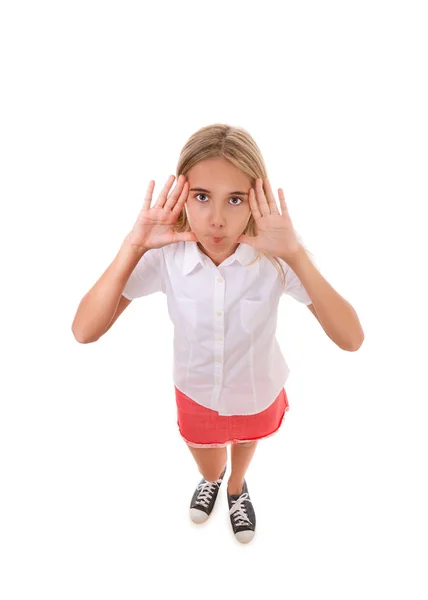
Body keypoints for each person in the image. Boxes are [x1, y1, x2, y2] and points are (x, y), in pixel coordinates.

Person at [72, 123, 364, 544]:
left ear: (255, 200)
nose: (217, 219)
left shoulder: (276, 254)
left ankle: (236, 487)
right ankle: (214, 478)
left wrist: (295, 256)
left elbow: (351, 338)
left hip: (256, 388)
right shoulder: (166, 253)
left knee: (247, 440)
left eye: (236, 199)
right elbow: (84, 330)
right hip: (196, 393)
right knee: (209, 461)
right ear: (182, 194)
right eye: (202, 196)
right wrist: (132, 246)